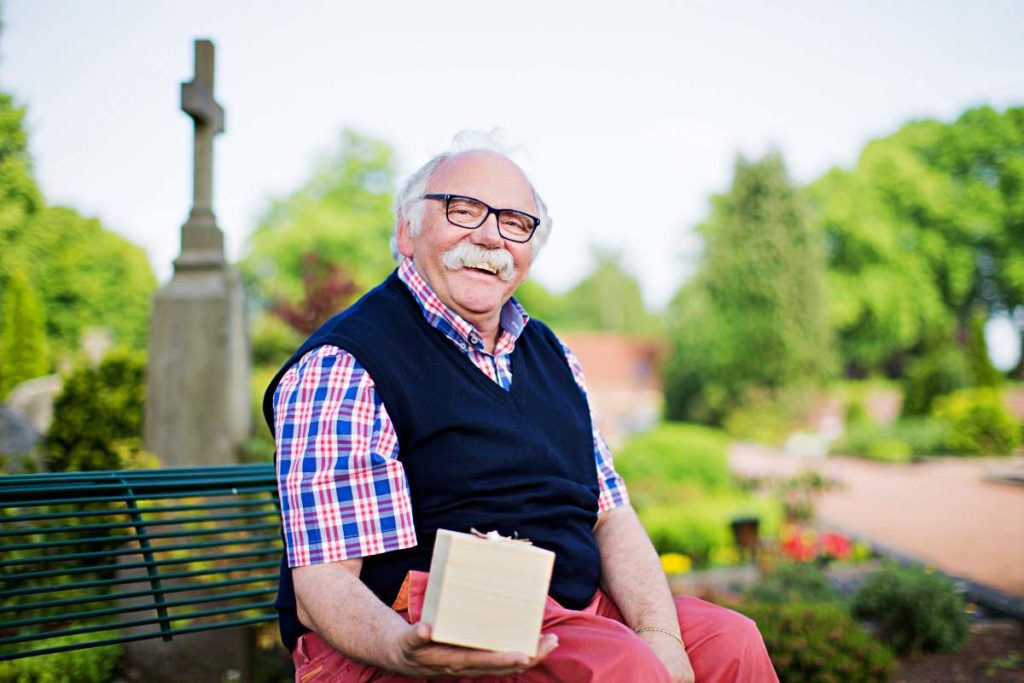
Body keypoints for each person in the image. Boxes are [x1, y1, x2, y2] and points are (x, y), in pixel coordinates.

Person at [263, 140, 779, 682]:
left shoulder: (551, 355)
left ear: (530, 252)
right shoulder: (346, 365)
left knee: (731, 643)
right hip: (424, 625)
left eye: (515, 222)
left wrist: (660, 635)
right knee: (619, 666)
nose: (489, 236)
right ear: (406, 232)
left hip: (570, 611)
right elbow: (322, 585)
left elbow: (612, 515)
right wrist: (403, 648)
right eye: (462, 209)